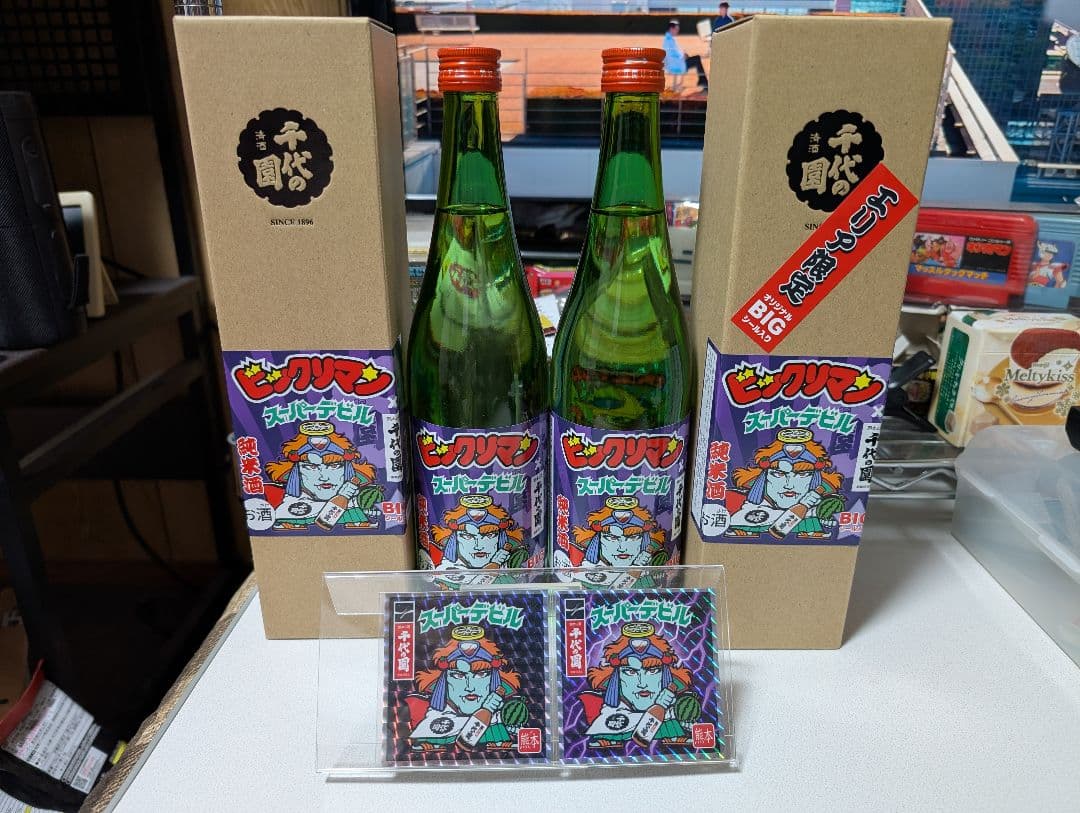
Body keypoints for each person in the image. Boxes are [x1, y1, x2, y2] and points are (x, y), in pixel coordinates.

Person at [662, 20, 708, 90]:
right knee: (697, 59)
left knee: (696, 58)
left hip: (677, 62)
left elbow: (674, 52)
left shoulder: (669, 38)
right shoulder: (669, 40)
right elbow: (671, 54)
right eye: (676, 29)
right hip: (677, 64)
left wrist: (683, 54)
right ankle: (703, 82)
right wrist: (683, 56)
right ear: (671, 29)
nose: (677, 31)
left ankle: (702, 81)